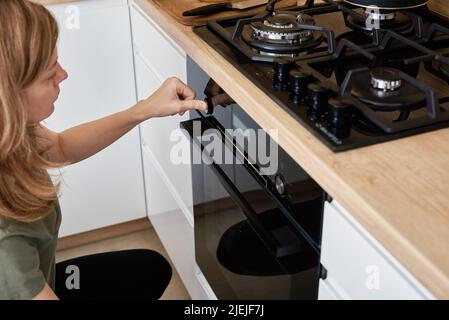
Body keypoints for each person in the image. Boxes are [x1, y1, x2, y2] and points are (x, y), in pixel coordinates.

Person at [0, 0, 207, 300]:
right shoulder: (5, 242)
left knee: (148, 270)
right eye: (49, 74)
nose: (63, 75)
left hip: (49, 280)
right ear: (10, 95)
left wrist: (144, 109)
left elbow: (59, 147)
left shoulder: (12, 131)